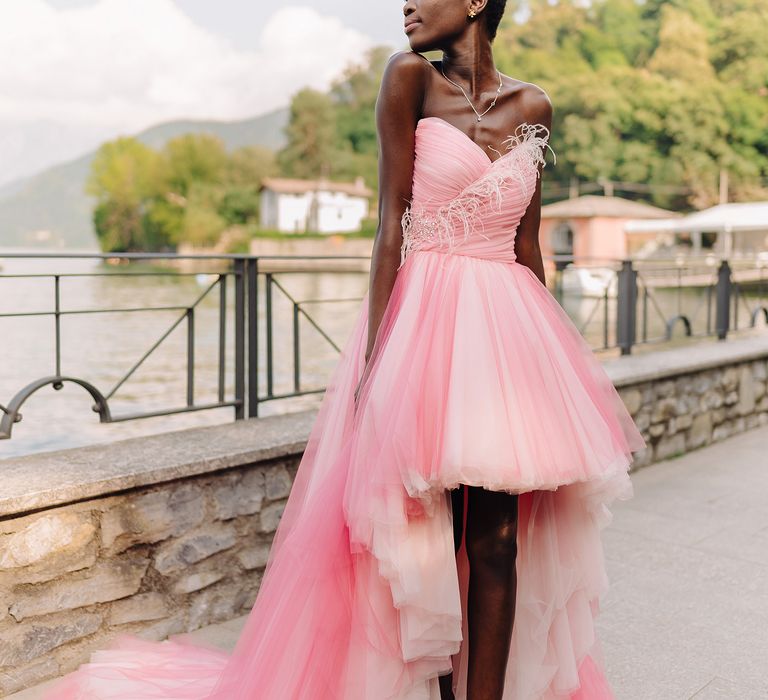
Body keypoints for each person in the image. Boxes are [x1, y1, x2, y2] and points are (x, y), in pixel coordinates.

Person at [45, 1, 646, 698]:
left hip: (507, 335)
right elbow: (391, 226)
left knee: (498, 541)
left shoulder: (533, 105)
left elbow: (526, 245)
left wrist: (552, 367)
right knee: (427, 538)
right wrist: (376, 363)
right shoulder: (408, 80)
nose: (408, 5)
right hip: (423, 329)